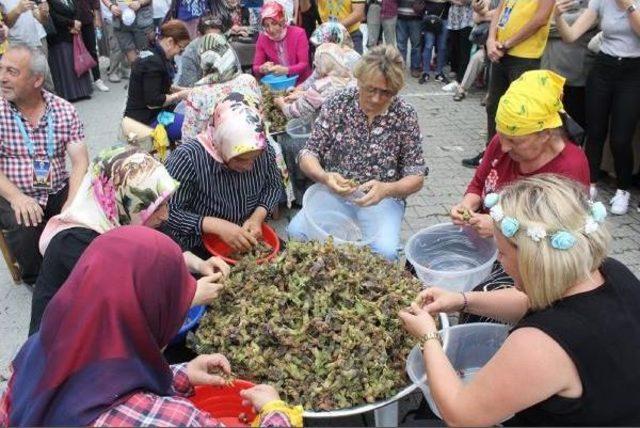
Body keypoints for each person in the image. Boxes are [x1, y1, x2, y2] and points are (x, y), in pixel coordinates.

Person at [0, 226, 303, 427]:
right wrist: (275, 411)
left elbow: (100, 381)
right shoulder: (169, 420)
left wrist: (181, 375)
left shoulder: (31, 355)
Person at [400, 174, 640, 426]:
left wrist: (429, 337)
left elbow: (460, 416)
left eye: (501, 252)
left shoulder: (540, 345)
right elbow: (532, 304)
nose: (498, 262)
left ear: (534, 259)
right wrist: (460, 300)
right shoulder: (609, 271)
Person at [28, 145, 231, 335]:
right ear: (120, 203)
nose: (165, 215)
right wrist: (188, 298)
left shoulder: (128, 217)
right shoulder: (76, 244)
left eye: (165, 204)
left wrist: (200, 264)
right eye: (157, 208)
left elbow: (166, 246)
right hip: (66, 345)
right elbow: (123, 311)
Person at [448, 70, 589, 299]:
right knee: (418, 268)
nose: (503, 147)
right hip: (483, 241)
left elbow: (561, 239)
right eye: (500, 135)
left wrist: (498, 228)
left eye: (514, 141)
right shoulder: (503, 141)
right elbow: (478, 184)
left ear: (545, 134)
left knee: (481, 297)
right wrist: (466, 205)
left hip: (527, 265)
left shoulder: (569, 168)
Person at [287, 45, 427, 260]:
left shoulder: (405, 115)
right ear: (359, 79)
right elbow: (308, 154)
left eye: (386, 92)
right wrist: (325, 176)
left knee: (384, 252)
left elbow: (416, 176)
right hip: (335, 193)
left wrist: (387, 189)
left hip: (382, 200)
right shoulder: (338, 103)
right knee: (297, 233)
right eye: (370, 89)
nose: (376, 99)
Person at [0, 44, 89, 285]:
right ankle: (39, 282)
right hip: (13, 192)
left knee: (83, 217)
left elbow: (80, 161)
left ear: (37, 79)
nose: (2, 78)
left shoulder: (64, 110)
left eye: (11, 72)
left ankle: (83, 272)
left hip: (57, 187)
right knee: (25, 225)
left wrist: (72, 200)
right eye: (1, 70)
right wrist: (17, 197)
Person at [166, 92, 282, 256]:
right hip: (201, 244)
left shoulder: (262, 146)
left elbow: (273, 186)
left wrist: (257, 217)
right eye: (241, 160)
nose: (249, 167)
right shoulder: (187, 159)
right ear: (220, 146)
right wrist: (216, 226)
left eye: (254, 159)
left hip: (249, 232)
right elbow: (170, 213)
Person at [555, 0, 640, 215]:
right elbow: (571, 36)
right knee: (595, 132)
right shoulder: (601, 1)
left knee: (621, 138)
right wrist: (557, 16)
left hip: (633, 72)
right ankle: (589, 185)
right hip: (603, 67)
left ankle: (623, 189)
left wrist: (628, 5)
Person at [462, 0, 555, 168]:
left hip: (525, 58)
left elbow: (540, 19)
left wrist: (507, 44)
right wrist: (490, 40)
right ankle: (492, 154)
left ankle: (517, 160)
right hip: (500, 53)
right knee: (494, 107)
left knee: (521, 114)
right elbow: (499, 11)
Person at [124, 19, 192, 143]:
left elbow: (163, 85)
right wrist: (180, 95)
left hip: (143, 116)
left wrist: (188, 91)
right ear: (170, 41)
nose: (179, 53)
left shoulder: (153, 52)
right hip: (143, 122)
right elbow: (153, 101)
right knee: (192, 126)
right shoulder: (153, 62)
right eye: (180, 49)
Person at [181, 32, 258, 140]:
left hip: (218, 154)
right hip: (258, 146)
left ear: (204, 59)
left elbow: (188, 137)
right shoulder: (248, 80)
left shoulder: (198, 94)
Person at [541, 0, 597, 131]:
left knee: (572, 129)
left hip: (574, 78)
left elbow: (542, 26)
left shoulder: (594, 5)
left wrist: (541, 21)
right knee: (547, 127)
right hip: (548, 76)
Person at [274, 42, 356, 119]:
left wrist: (281, 103)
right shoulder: (352, 78)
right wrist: (302, 95)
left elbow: (294, 112)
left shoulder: (320, 86)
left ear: (322, 66)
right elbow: (321, 98)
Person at [1, 0, 55, 90]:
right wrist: (18, 10)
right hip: (15, 45)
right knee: (22, 84)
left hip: (34, 42)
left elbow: (40, 19)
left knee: (46, 81)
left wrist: (44, 13)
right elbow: (5, 23)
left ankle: (50, 102)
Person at [252, 1, 311, 82]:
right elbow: (255, 67)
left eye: (274, 23)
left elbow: (304, 64)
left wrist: (286, 70)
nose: (271, 29)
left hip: (302, 82)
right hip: (277, 84)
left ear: (282, 21)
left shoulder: (299, 34)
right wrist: (262, 69)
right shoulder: (263, 38)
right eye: (266, 25)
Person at [47, 0, 95, 101]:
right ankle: (69, 95)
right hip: (59, 35)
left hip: (75, 31)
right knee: (66, 63)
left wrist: (76, 23)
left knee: (79, 60)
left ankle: (84, 91)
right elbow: (52, 16)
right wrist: (71, 23)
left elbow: (77, 8)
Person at [452, 0, 499, 102]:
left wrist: (485, 16)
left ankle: (490, 95)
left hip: (501, 45)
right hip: (486, 43)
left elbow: (500, 14)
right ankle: (462, 89)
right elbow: (475, 18)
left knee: (494, 61)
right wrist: (489, 15)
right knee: (476, 58)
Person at [176, 16, 240, 87]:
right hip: (198, 90)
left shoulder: (224, 45)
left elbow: (236, 74)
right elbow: (189, 86)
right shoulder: (189, 54)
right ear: (199, 35)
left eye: (217, 36)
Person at [102, 0, 155, 66]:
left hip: (142, 19)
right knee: (133, 62)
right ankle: (136, 73)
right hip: (121, 20)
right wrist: (110, 6)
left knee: (147, 57)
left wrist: (140, 2)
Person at [418, 0, 451, 84]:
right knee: (428, 45)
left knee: (442, 47)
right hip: (429, 17)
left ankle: (439, 73)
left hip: (444, 17)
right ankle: (426, 72)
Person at [446, 0, 474, 87]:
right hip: (454, 19)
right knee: (454, 47)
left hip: (467, 20)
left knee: (464, 50)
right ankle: (455, 70)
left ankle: (461, 78)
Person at [395, 0, 422, 77]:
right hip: (400, 16)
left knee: (416, 44)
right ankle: (400, 67)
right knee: (400, 44)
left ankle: (415, 68)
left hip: (416, 17)